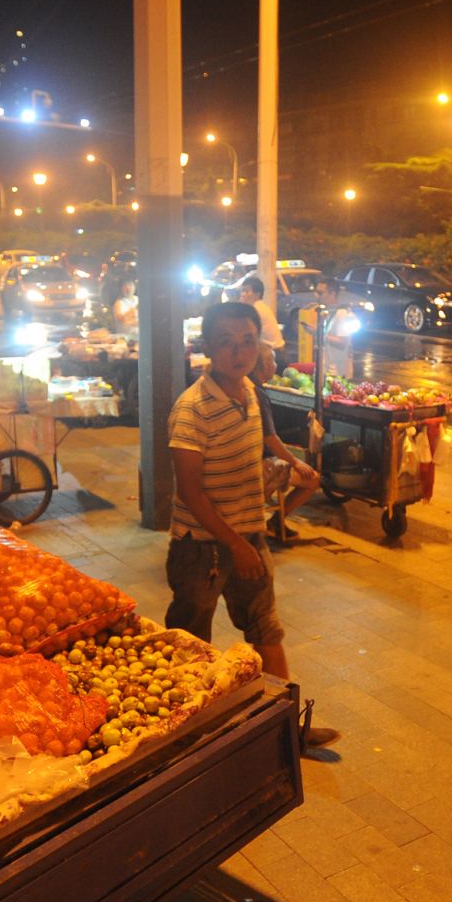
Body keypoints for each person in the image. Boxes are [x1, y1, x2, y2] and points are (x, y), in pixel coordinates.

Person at [167, 302, 336, 749]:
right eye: (225, 342)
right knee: (191, 642)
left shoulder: (252, 394)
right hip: (199, 548)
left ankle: (288, 728)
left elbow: (263, 450)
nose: (238, 351)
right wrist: (234, 545)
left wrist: (295, 469)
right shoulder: (192, 410)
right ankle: (184, 737)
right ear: (207, 348)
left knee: (266, 630)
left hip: (248, 537)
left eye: (246, 341)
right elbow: (190, 492)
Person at [250, 344, 318, 539]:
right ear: (262, 365)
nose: (276, 365)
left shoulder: (245, 387)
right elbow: (271, 439)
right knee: (313, 479)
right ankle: (277, 521)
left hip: (252, 457)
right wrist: (296, 462)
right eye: (273, 361)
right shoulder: (257, 394)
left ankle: (276, 522)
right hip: (261, 462)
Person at [295, 282, 359, 381]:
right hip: (327, 370)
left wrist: (318, 332)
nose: (316, 296)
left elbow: (342, 343)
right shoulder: (328, 312)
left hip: (338, 373)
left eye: (320, 293)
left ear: (332, 294)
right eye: (316, 292)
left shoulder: (343, 314)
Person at [235, 278, 285, 358]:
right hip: (274, 351)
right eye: (242, 291)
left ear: (257, 294)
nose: (243, 294)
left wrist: (240, 306)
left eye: (247, 291)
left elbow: (240, 330)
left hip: (272, 354)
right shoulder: (259, 306)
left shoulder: (255, 309)